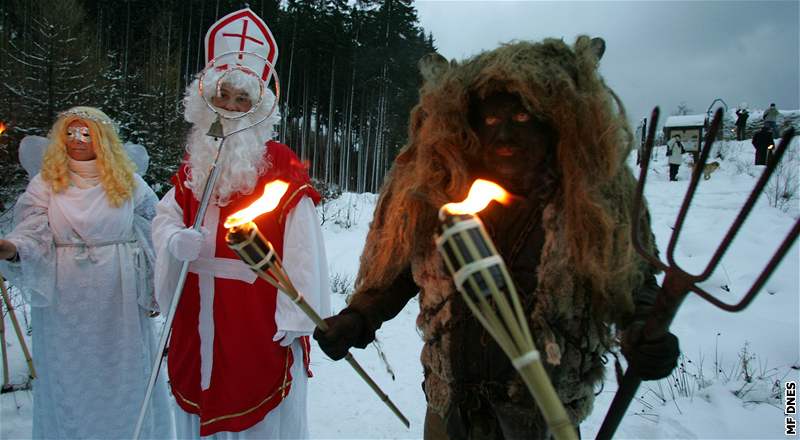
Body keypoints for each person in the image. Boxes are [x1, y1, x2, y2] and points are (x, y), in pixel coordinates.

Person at [313, 37, 680, 439]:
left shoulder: (589, 202)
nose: (504, 134)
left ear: (553, 121)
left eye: (521, 119)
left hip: (544, 416)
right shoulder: (444, 192)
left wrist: (643, 328)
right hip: (451, 409)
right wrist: (360, 317)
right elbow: (402, 270)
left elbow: (632, 281)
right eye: (490, 121)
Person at [151, 8, 330, 438]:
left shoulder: (281, 165)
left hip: (256, 313)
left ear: (258, 107)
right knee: (199, 394)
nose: (230, 106)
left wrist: (296, 316)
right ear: (206, 99)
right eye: (223, 95)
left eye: (241, 99)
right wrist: (176, 241)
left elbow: (304, 246)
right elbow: (164, 216)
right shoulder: (194, 160)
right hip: (197, 311)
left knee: (257, 411)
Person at [0, 107, 172, 439]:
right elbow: (32, 231)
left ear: (102, 139)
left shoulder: (127, 181)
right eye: (69, 133)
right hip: (66, 296)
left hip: (117, 294)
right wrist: (11, 247)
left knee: (122, 374)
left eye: (85, 133)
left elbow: (155, 229)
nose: (76, 140)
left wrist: (155, 284)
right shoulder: (47, 182)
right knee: (69, 377)